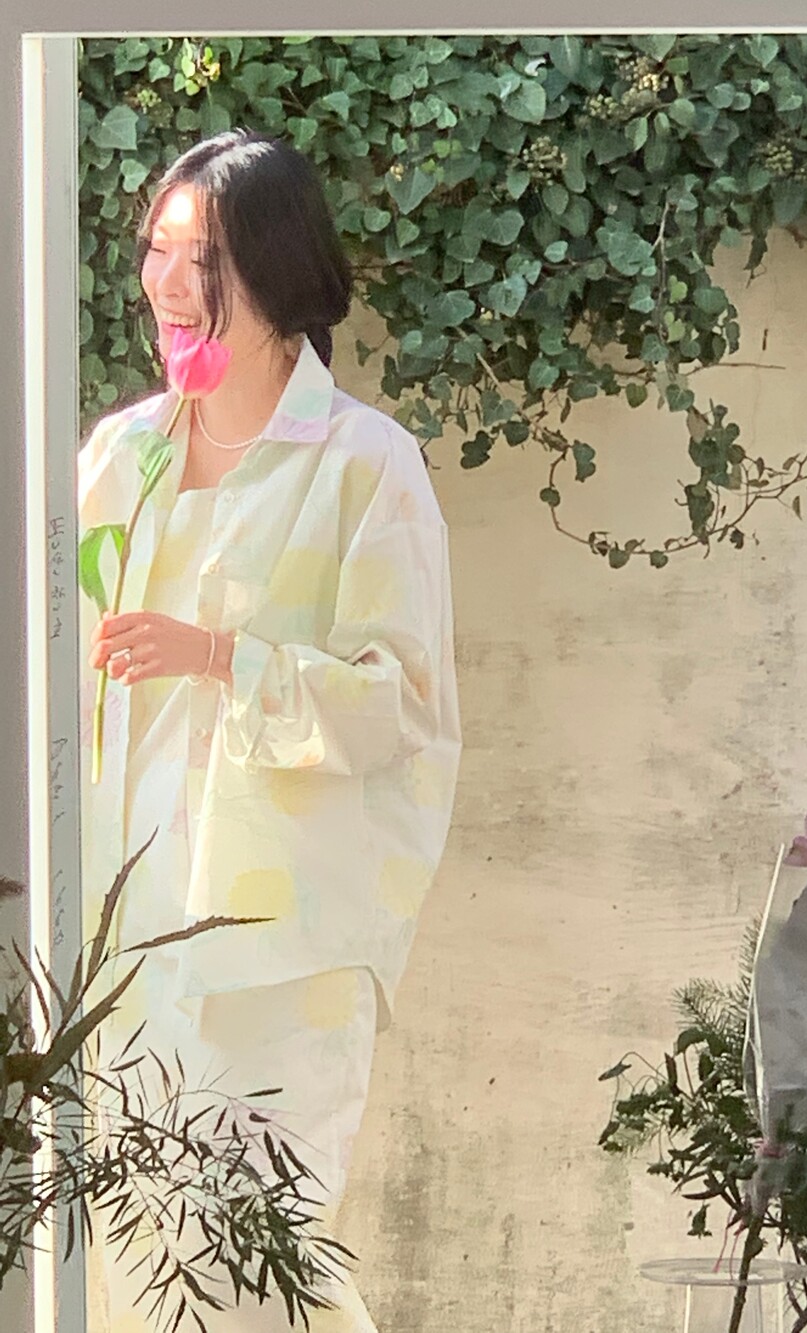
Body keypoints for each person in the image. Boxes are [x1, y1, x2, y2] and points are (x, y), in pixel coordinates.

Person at [77, 129, 461, 1333]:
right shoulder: (119, 458)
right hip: (114, 945)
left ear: (281, 269)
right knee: (129, 1275)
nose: (168, 282)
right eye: (158, 250)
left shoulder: (364, 466)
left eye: (205, 258)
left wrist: (219, 657)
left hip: (278, 956)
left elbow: (402, 704)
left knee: (259, 1276)